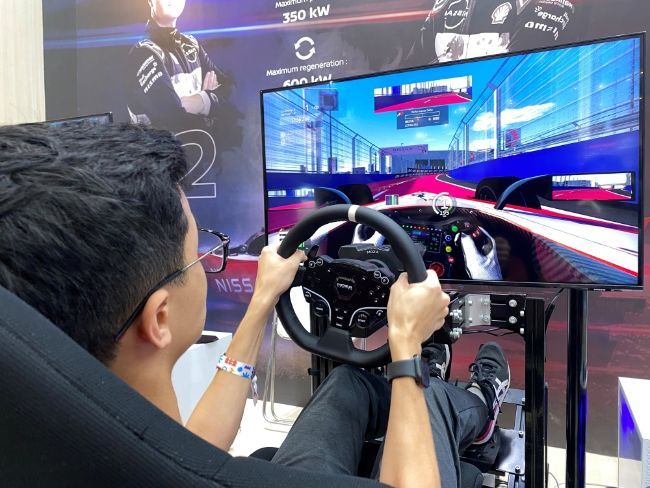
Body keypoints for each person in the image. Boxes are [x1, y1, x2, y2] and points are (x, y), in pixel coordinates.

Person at [0, 122, 510, 488]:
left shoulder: (77, 439)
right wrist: (406, 348)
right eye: (199, 254)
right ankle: (482, 403)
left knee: (348, 382)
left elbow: (194, 449)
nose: (208, 262)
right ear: (159, 317)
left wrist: (264, 299)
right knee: (431, 397)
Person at [126, 0, 227, 132]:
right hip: (162, 145)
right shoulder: (142, 51)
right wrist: (210, 103)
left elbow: (231, 90)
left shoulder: (192, 44)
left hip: (202, 143)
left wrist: (202, 100)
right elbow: (173, 117)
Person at [408, 0, 578, 65]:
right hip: (455, 104)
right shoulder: (444, 3)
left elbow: (517, 67)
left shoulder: (545, 3)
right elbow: (416, 61)